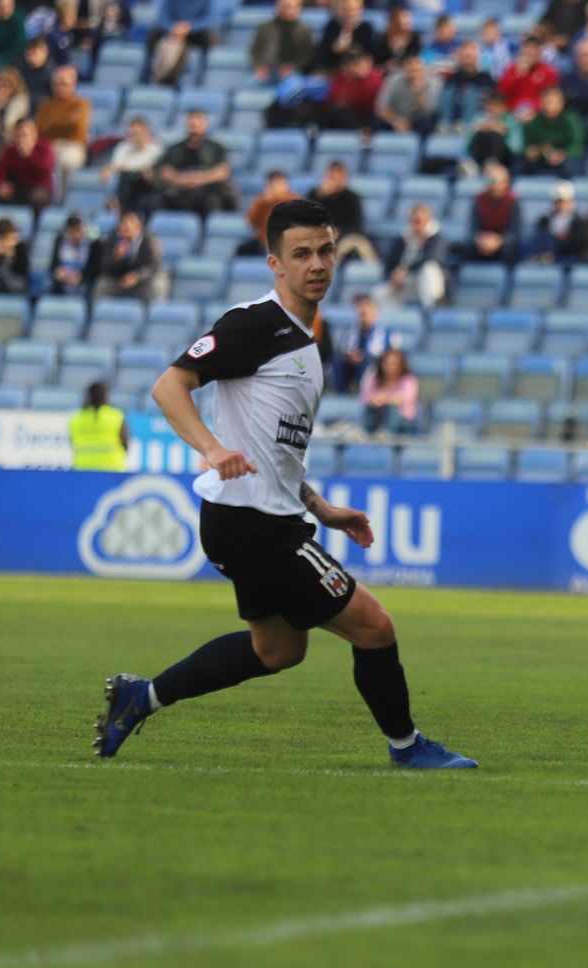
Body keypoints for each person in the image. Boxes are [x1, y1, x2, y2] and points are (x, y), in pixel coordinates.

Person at [100, 199, 476, 770]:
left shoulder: (305, 338)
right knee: (374, 627)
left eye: (326, 250)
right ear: (275, 263)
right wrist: (212, 448)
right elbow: (169, 387)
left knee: (278, 650)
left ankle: (141, 696)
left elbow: (279, 451)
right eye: (301, 254)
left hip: (258, 517)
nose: (318, 264)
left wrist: (320, 507)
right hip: (253, 525)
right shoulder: (256, 323)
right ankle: (408, 747)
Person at [155, 110, 235, 216]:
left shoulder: (216, 148)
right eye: (191, 122)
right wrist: (178, 179)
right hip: (180, 191)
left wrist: (200, 179)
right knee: (157, 200)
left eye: (198, 121)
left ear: (205, 124)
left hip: (206, 191)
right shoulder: (175, 149)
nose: (193, 125)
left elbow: (223, 171)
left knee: (213, 200)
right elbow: (165, 170)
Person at [375, 203, 447, 309]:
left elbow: (431, 258)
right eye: (412, 221)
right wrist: (393, 276)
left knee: (429, 269)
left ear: (428, 220)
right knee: (379, 293)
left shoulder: (436, 239)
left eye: (418, 221)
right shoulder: (403, 239)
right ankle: (391, 320)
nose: (415, 225)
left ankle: (430, 311)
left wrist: (406, 270)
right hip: (406, 282)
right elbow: (390, 263)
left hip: (426, 282)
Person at [307, 159, 377, 264]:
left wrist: (338, 232)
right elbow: (306, 218)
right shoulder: (314, 195)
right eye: (329, 177)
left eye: (334, 178)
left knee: (352, 244)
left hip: (342, 238)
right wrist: (322, 197)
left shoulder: (352, 198)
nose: (331, 181)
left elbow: (356, 226)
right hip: (318, 236)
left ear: (343, 179)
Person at [88, 209, 163, 302]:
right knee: (101, 286)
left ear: (138, 226)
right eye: (123, 224)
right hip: (119, 279)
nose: (126, 227)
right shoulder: (112, 239)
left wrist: (136, 276)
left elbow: (153, 265)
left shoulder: (149, 240)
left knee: (154, 289)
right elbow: (104, 266)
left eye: (130, 223)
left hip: (142, 281)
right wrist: (117, 258)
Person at [146, 0, 221, 85]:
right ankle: (152, 76)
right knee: (154, 34)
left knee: (210, 36)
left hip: (195, 34)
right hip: (171, 31)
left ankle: (199, 80)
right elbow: (161, 18)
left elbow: (211, 19)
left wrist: (189, 27)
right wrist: (173, 28)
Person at [35, 65, 89, 179]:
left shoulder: (81, 104)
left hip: (72, 146)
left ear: (73, 85)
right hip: (49, 145)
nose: (60, 88)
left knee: (66, 162)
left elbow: (78, 131)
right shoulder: (45, 105)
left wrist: (52, 124)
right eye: (56, 84)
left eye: (64, 84)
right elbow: (40, 130)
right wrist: (67, 123)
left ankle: (61, 197)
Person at [332, 293, 392, 393]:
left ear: (375, 314)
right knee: (337, 360)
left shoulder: (385, 333)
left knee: (367, 362)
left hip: (373, 365)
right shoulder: (351, 331)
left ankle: (362, 392)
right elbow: (345, 349)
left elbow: (384, 353)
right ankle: (340, 393)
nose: (363, 317)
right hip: (352, 364)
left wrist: (362, 356)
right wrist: (350, 356)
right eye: (361, 314)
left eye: (366, 313)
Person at [520, 85, 585, 176]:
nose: (550, 106)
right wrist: (534, 150)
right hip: (541, 157)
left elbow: (577, 145)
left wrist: (563, 154)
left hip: (565, 159)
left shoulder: (571, 120)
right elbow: (527, 144)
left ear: (562, 103)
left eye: (554, 102)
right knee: (522, 164)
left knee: (570, 165)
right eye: (547, 102)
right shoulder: (535, 121)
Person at [374, 52, 441, 135]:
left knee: (427, 122)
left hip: (418, 120)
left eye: (417, 64)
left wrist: (418, 90)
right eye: (409, 64)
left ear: (423, 67)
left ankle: (422, 147)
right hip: (396, 118)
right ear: (404, 67)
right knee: (376, 122)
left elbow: (433, 111)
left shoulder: (432, 82)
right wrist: (396, 122)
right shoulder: (393, 80)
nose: (413, 67)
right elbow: (381, 107)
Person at [0, 120, 54, 209]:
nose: (21, 139)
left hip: (40, 188)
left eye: (24, 135)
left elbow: (44, 169)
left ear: (33, 136)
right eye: (18, 136)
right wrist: (0, 185)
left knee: (37, 197)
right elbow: (1, 170)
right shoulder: (10, 150)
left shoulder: (45, 148)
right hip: (20, 186)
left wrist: (28, 155)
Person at [69, 381, 129, 470]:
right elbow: (125, 442)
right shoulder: (116, 416)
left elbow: (73, 441)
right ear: (106, 396)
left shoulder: (76, 417)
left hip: (83, 466)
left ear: (88, 396)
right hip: (112, 467)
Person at [525, 179, 588, 264]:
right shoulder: (544, 219)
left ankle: (547, 256)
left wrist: (562, 239)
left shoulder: (579, 221)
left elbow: (578, 243)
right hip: (548, 249)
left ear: (572, 201)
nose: (562, 204)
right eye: (559, 201)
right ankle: (544, 256)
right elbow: (539, 237)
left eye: (565, 201)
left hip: (567, 252)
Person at [251, 0, 314, 84]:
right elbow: (254, 51)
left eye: (289, 6)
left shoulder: (304, 30)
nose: (285, 9)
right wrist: (259, 66)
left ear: (298, 8)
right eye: (283, 6)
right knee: (253, 82)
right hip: (267, 69)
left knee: (294, 85)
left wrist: (293, 68)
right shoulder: (265, 27)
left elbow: (307, 56)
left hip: (293, 71)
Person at [360, 347, 419, 435]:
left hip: (403, 422)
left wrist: (385, 399)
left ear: (401, 365)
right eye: (386, 363)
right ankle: (367, 434)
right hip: (379, 418)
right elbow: (365, 397)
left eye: (394, 364)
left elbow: (406, 398)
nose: (390, 367)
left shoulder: (409, 380)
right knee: (369, 407)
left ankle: (388, 436)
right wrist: (374, 400)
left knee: (392, 408)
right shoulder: (375, 379)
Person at [470, 161, 520, 262]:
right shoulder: (479, 200)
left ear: (505, 183)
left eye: (494, 181)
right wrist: (481, 239)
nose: (491, 185)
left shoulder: (512, 201)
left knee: (510, 249)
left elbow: (515, 232)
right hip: (483, 241)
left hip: (503, 243)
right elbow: (472, 229)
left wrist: (499, 241)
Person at [314, 0, 377, 74]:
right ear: (341, 10)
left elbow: (369, 54)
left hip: (357, 71)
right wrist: (333, 48)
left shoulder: (366, 29)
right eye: (346, 10)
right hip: (332, 69)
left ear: (360, 10)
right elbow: (322, 53)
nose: (350, 14)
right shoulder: (332, 26)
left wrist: (349, 47)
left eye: (353, 10)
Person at [242, 170, 295, 254]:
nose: (273, 188)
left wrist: (278, 198)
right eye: (271, 185)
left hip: (284, 242)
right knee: (241, 249)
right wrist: (262, 202)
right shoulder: (262, 201)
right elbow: (251, 222)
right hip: (263, 241)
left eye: (277, 184)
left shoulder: (293, 200)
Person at [50, 213, 92, 295]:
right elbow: (53, 265)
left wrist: (82, 277)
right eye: (71, 232)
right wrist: (58, 272)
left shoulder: (92, 244)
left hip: (82, 280)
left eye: (77, 231)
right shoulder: (59, 240)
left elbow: (94, 269)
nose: (75, 235)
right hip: (63, 279)